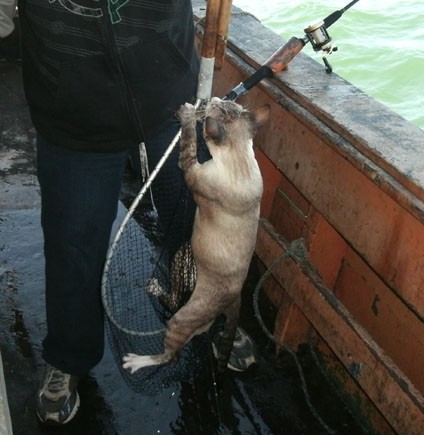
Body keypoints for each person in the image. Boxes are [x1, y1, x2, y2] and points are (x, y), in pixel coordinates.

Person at [15, 0, 257, 425]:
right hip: (72, 112)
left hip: (171, 100)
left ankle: (211, 316)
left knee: (196, 221)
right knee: (73, 242)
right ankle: (69, 356)